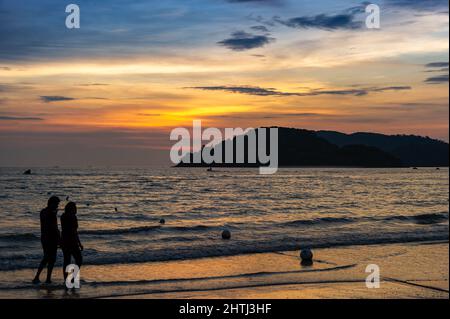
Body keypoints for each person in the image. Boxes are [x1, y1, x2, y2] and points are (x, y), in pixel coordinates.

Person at [33, 196, 61, 284]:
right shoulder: (50, 213)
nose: (57, 206)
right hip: (50, 238)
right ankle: (44, 278)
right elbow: (53, 227)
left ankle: (40, 277)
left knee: (47, 258)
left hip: (45, 237)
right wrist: (59, 238)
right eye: (56, 204)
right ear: (51, 203)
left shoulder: (43, 212)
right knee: (50, 259)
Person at [61, 202, 83, 281]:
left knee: (67, 261)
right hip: (71, 241)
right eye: (75, 207)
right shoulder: (72, 217)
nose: (76, 209)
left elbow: (69, 230)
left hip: (64, 241)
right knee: (79, 259)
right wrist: (79, 243)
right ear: (71, 209)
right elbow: (74, 231)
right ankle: (72, 278)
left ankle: (66, 279)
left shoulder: (63, 216)